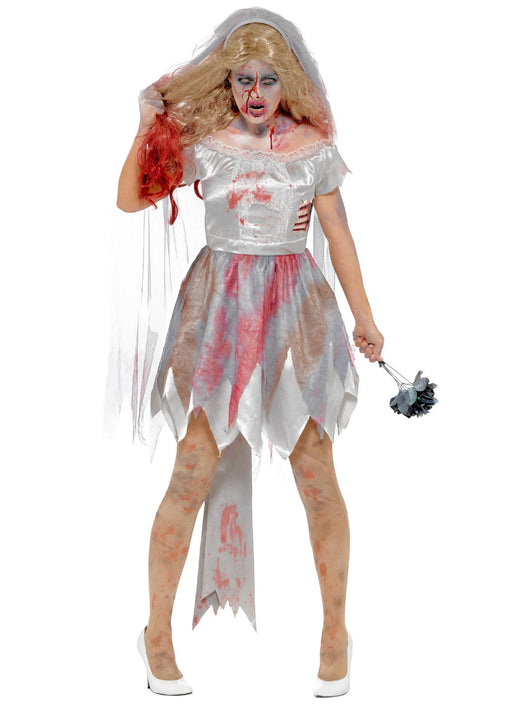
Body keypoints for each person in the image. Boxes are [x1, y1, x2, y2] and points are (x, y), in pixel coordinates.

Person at [113, 7, 384, 698]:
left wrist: (365, 318)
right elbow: (129, 199)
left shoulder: (312, 148)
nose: (255, 92)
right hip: (218, 316)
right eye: (242, 79)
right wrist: (146, 126)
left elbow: (340, 236)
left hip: (296, 316)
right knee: (191, 471)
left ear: (287, 80)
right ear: (227, 83)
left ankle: (334, 632)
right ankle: (155, 633)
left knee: (316, 476)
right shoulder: (206, 144)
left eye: (268, 78)